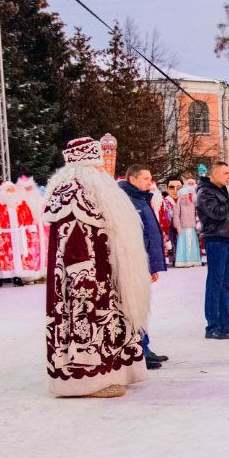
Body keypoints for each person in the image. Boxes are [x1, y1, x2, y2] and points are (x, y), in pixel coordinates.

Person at [44, 137, 151, 398]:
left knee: (108, 324)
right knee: (86, 326)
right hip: (86, 276)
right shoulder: (75, 191)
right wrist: (83, 276)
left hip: (104, 271)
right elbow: (74, 239)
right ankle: (88, 381)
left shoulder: (89, 188)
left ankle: (111, 373)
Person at [119, 165, 168, 370]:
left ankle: (145, 347)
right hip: (135, 263)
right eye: (146, 178)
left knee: (142, 306)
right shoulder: (127, 201)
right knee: (135, 307)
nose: (150, 181)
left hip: (145, 262)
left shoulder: (142, 198)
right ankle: (139, 351)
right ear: (133, 179)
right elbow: (138, 236)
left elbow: (151, 232)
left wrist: (153, 265)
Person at [197, 161, 229, 340]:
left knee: (225, 283)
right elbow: (217, 213)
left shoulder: (221, 190)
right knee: (215, 283)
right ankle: (212, 326)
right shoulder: (205, 192)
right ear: (214, 174)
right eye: (225, 173)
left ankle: (224, 322)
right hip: (215, 240)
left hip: (225, 239)